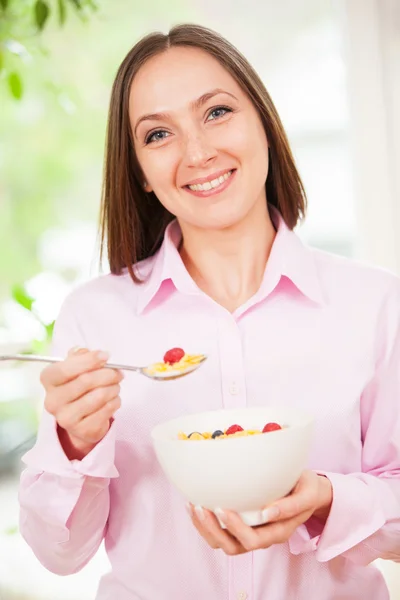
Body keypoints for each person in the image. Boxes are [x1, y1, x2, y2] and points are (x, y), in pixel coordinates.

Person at [18, 23, 400, 600]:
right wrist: (74, 445)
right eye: (158, 134)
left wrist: (326, 499)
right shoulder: (95, 319)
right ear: (140, 174)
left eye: (217, 112)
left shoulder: (375, 303)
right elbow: (58, 555)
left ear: (265, 125)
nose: (197, 153)